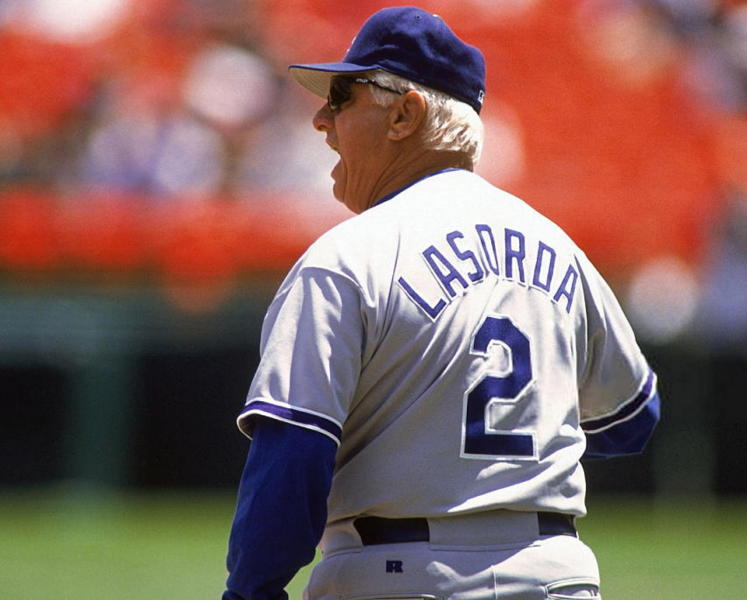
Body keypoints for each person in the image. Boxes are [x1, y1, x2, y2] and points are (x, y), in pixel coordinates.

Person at [223, 6, 661, 600]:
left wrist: (250, 590)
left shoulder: (347, 257)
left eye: (343, 96)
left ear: (405, 115)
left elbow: (294, 452)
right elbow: (632, 419)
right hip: (556, 575)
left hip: (399, 576)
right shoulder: (560, 249)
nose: (321, 118)